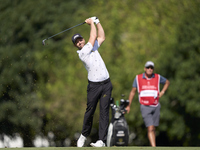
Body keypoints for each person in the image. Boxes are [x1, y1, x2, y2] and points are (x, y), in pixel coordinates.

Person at [71, 17, 113, 147]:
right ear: (75, 46)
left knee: (104, 112)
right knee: (90, 111)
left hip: (106, 84)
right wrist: (91, 23)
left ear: (84, 40)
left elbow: (102, 37)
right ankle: (83, 136)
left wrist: (98, 21)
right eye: (77, 42)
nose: (79, 42)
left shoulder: (93, 46)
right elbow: (93, 35)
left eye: (80, 39)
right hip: (94, 87)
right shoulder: (82, 52)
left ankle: (102, 141)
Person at [126, 61, 170, 147]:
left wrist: (162, 92)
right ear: (145, 69)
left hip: (156, 105)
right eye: (148, 67)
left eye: (151, 68)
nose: (149, 69)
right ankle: (154, 147)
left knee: (153, 128)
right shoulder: (138, 78)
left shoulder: (157, 77)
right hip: (144, 106)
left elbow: (167, 82)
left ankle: (153, 145)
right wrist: (128, 105)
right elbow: (132, 92)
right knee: (150, 128)